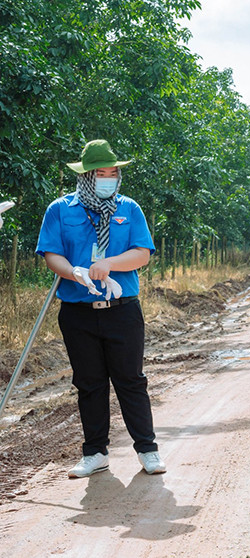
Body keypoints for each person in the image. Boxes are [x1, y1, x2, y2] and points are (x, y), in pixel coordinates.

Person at [36, 139, 165, 478]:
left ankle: (147, 449)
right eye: (100, 173)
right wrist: (74, 272)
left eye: (113, 172)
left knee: (131, 380)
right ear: (86, 176)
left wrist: (109, 263)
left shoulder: (129, 208)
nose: (109, 178)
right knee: (90, 383)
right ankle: (95, 452)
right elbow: (52, 254)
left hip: (122, 309)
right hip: (78, 311)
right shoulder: (60, 210)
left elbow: (142, 253)